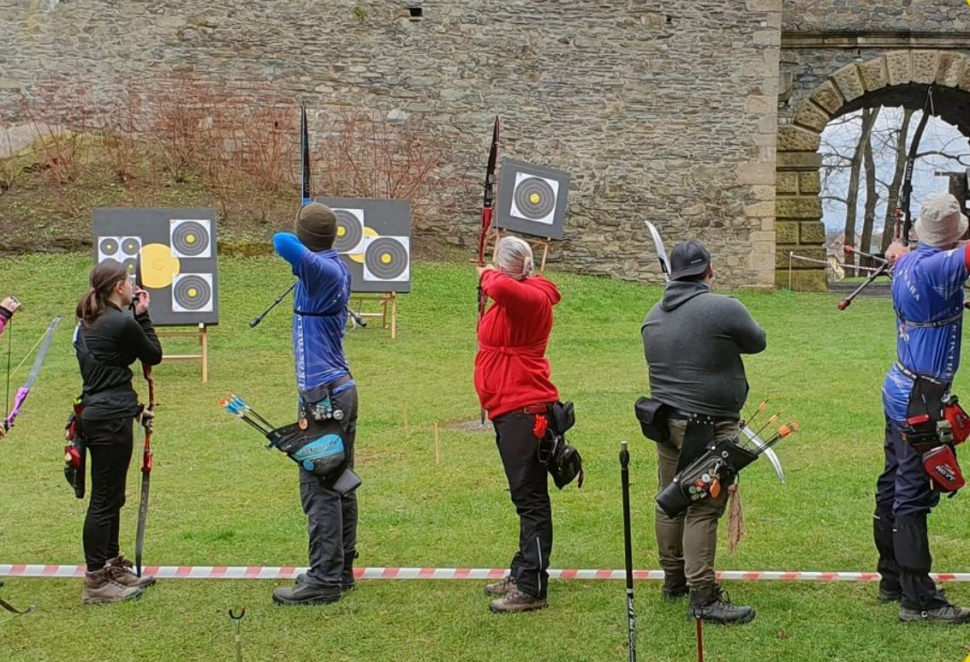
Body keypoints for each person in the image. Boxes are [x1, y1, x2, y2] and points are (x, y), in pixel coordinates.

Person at [641, 239, 765, 624]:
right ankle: (703, 595)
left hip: (665, 422)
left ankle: (673, 580)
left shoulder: (652, 315)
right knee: (702, 506)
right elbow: (757, 342)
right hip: (707, 425)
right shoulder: (723, 307)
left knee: (672, 498)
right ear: (708, 271)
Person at [874, 192, 970, 624]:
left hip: (900, 386)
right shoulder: (939, 266)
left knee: (894, 480)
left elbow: (903, 255)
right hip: (920, 398)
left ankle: (891, 579)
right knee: (914, 492)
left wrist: (901, 249)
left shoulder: (910, 261)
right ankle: (918, 600)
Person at [271, 202, 359, 606]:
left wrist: (304, 225)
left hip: (322, 396)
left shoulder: (319, 269)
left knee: (320, 484)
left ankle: (324, 577)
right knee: (339, 478)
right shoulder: (335, 264)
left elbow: (282, 241)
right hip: (338, 391)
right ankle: (340, 570)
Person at [474, 236, 562, 614]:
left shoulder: (529, 298)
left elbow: (503, 286)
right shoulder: (523, 292)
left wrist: (488, 275)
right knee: (524, 498)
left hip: (524, 409)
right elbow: (506, 287)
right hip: (511, 408)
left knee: (530, 500)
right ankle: (523, 570)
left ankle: (532, 586)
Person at [74, 261, 162, 604]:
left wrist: (134, 409)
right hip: (109, 420)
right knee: (104, 500)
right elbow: (153, 353)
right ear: (117, 288)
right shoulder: (120, 321)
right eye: (127, 281)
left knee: (112, 497)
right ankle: (97, 580)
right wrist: (142, 315)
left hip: (101, 414)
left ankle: (111, 565)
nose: (131, 285)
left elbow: (106, 371)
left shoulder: (88, 322)